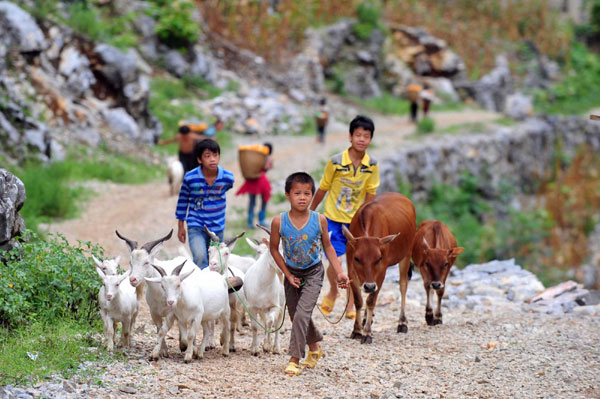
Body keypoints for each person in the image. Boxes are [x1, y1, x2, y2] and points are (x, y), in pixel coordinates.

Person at [269, 172, 350, 376]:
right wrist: (287, 275)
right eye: (297, 193)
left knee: (302, 314)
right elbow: (273, 249)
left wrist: (340, 272)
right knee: (296, 315)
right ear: (287, 195)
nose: (302, 197)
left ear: (313, 195)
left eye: (307, 193)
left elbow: (328, 247)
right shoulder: (279, 222)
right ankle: (315, 349)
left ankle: (294, 359)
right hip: (292, 273)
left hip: (313, 272)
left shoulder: (319, 220)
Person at [310, 115, 379, 320]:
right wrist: (311, 212)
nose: (361, 139)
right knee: (334, 261)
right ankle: (333, 290)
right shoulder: (336, 162)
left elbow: (371, 195)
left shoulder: (372, 165)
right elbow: (323, 188)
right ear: (350, 136)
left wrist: (366, 222)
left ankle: (351, 301)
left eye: (366, 136)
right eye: (358, 135)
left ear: (370, 139)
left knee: (356, 264)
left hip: (357, 222)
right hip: (333, 218)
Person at [175, 139, 235, 270]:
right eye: (207, 156)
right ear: (199, 159)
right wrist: (180, 227)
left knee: (215, 261)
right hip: (196, 225)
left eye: (215, 155)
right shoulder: (190, 178)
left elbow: (227, 187)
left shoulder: (227, 178)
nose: (212, 159)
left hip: (217, 227)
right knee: (201, 257)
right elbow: (183, 202)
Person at [236, 142, 273, 228]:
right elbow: (266, 168)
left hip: (251, 181)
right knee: (264, 200)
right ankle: (261, 220)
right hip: (261, 181)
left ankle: (250, 222)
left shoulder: (254, 155)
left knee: (252, 201)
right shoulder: (267, 158)